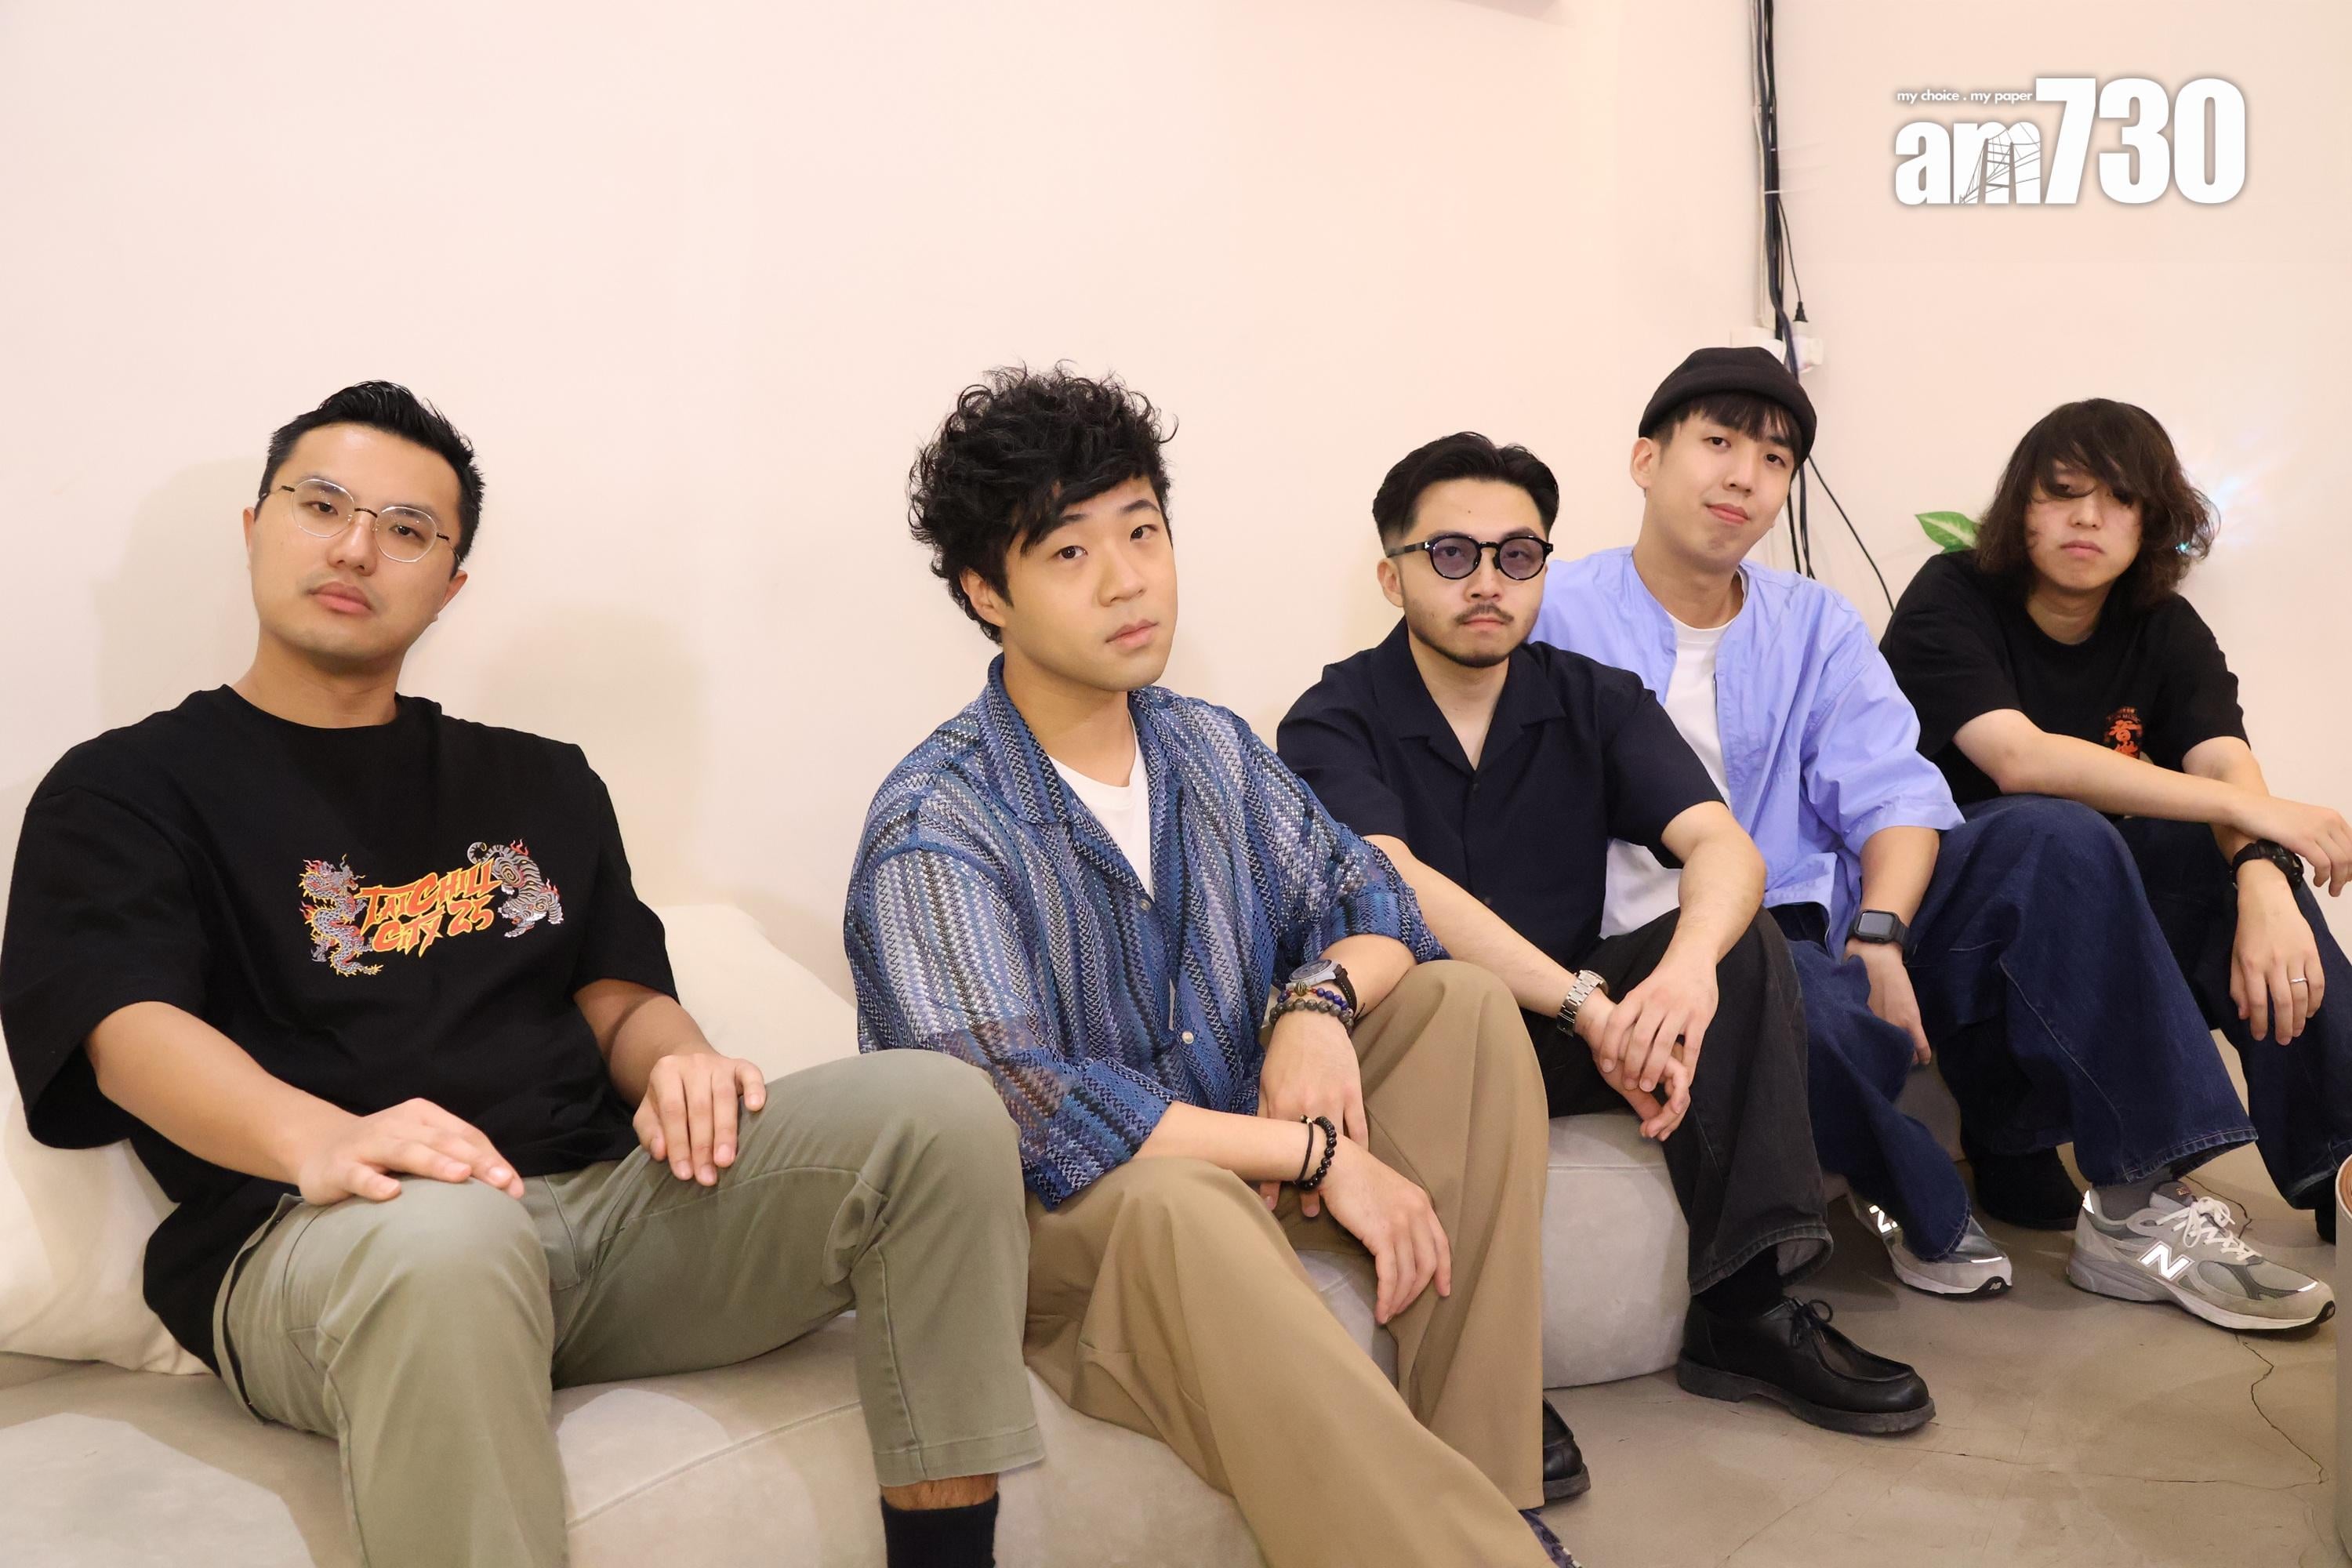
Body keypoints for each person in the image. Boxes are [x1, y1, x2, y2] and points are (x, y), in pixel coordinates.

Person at [0, 383, 1044, 1568]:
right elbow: (125, 1029)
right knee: (447, 1235)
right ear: (254, 528)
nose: (356, 548)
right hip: (332, 1241)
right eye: (322, 505)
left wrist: (682, 1059)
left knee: (936, 1108)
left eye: (407, 529)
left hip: (603, 1215)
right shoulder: (125, 788)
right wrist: (321, 1140)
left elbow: (618, 997)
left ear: (450, 585)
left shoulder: (539, 780)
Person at [845, 366, 1577, 1568]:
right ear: (987, 592)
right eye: (1069, 553)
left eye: (1142, 532)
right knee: (1176, 1198)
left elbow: (1382, 904)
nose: (1127, 579)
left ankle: (1494, 1490)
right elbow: (1026, 1107)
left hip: (1237, 1166)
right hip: (1061, 1238)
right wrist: (1318, 1157)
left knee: (1463, 1009)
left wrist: (1315, 1006)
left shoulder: (1208, 747)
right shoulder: (940, 824)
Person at [1537, 350, 2329, 1335]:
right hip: (1670, 940)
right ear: (1646, 460)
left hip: (1827, 910)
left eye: (1775, 459)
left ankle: (2138, 1207)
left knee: (2054, 837)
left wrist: (1881, 930)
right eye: (1719, 442)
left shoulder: (1814, 623)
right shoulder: (1551, 612)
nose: (1744, 475)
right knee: (1792, 991)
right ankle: (1919, 1198)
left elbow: (1894, 792)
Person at [1278, 430, 1936, 1466]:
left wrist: (1683, 973)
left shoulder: (1593, 697)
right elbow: (1399, 883)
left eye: (1517, 555)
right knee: (1459, 1002)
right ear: (1393, 576)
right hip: (1424, 1039)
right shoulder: (1332, 718)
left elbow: (1723, 846)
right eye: (1450, 554)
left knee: (1741, 943)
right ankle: (1481, 1370)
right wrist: (1588, 1005)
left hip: (1560, 1032)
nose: (1487, 582)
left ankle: (1746, 1310)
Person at [1882, 395, 2352, 1259]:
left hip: (2081, 916)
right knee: (2059, 831)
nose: (2088, 517)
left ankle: (2342, 1159)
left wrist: (2262, 875)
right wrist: (2253, 817)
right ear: (2020, 505)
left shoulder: (2162, 627)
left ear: (2153, 520)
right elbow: (2018, 757)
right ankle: (2099, 1168)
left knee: (2207, 862)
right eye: (2062, 492)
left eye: (2120, 498)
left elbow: (2222, 760)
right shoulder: (1951, 596)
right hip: (1945, 920)